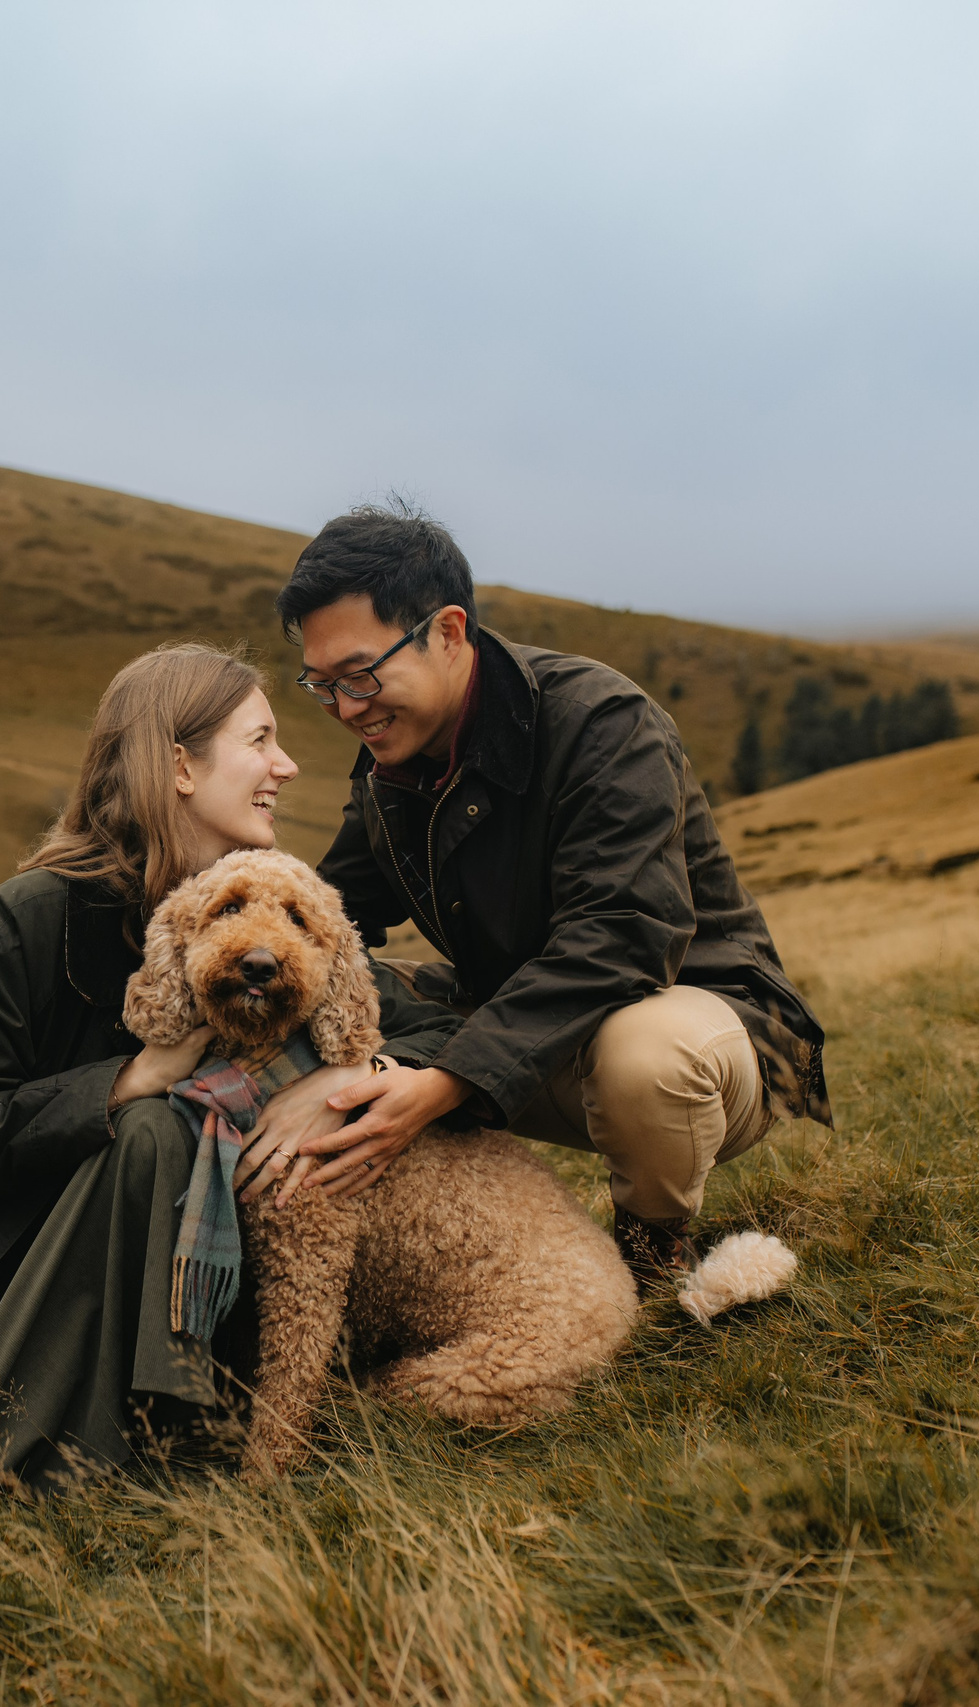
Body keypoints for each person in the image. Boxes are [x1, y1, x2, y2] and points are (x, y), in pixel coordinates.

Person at [0, 642, 456, 1531]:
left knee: (158, 1133)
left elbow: (427, 1023)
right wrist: (126, 1080)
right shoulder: (24, 920)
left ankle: (159, 1424)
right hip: (4, 1278)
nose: (287, 764)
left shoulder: (271, 913)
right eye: (261, 740)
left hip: (202, 1307)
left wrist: (356, 1072)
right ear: (180, 766)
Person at [232, 503, 831, 1288]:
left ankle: (652, 1256)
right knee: (300, 987)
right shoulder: (390, 767)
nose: (347, 708)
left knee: (644, 1054)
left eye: (362, 675)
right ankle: (361, 1258)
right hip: (522, 1033)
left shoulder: (604, 725)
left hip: (711, 1037)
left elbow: (622, 936)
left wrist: (437, 1083)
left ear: (449, 632)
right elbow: (329, 919)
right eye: (323, 685)